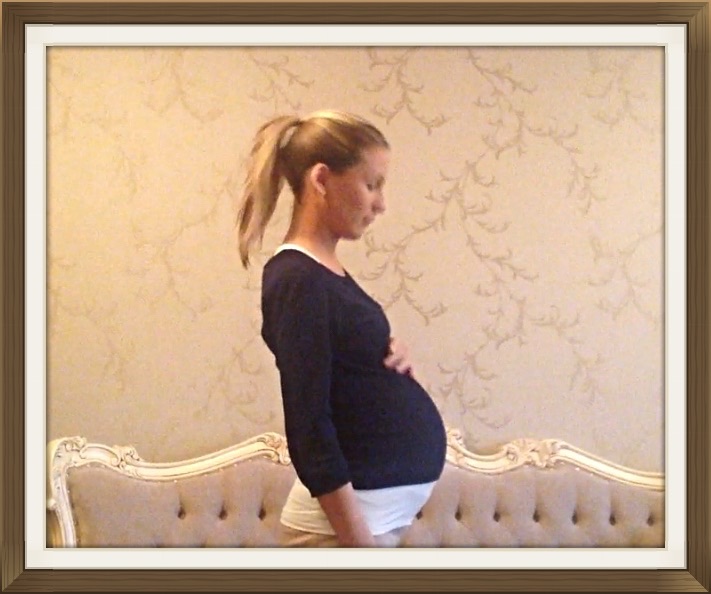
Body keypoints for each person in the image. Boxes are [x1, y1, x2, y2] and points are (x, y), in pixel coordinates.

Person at [236, 109, 447, 548]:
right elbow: (308, 425)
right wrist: (357, 544)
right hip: (339, 532)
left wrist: (388, 355)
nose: (380, 204)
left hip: (366, 521)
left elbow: (344, 372)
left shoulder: (322, 272)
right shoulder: (296, 279)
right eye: (372, 185)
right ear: (321, 180)